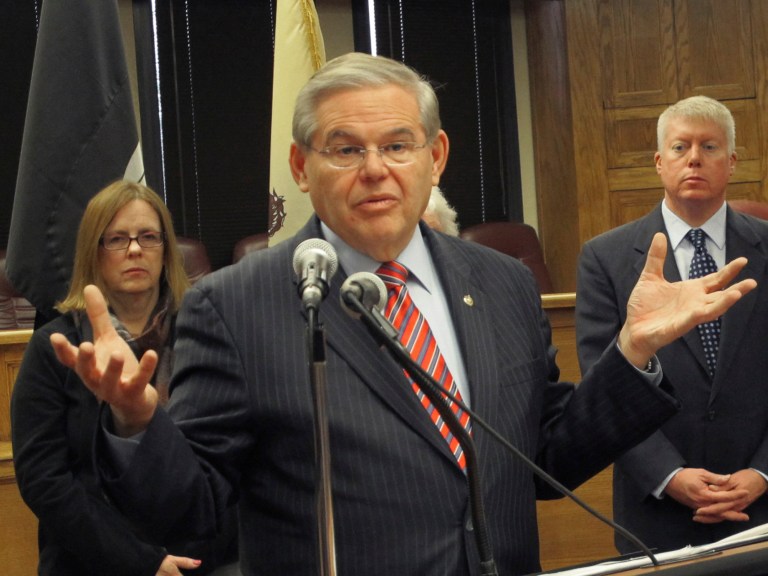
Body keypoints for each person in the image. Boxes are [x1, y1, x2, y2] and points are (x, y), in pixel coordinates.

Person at [51, 55, 754, 576]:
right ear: (300, 166)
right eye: (345, 150)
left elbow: (544, 460)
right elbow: (195, 512)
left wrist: (631, 354)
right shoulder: (233, 304)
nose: (375, 169)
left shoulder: (503, 284)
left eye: (396, 145)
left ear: (435, 156)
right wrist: (139, 425)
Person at [576, 95, 768, 554]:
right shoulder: (605, 258)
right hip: (657, 510)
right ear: (660, 162)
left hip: (761, 506)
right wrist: (668, 474)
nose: (695, 159)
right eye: (680, 148)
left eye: (710, 147)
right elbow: (603, 384)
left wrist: (763, 472)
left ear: (733, 161)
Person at [10, 181, 219, 575]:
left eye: (148, 237)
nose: (135, 249)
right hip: (94, 560)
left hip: (200, 555)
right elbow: (44, 480)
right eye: (117, 239)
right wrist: (141, 561)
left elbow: (226, 458)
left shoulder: (208, 334)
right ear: (94, 250)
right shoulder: (55, 347)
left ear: (166, 250)